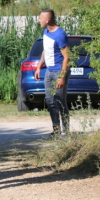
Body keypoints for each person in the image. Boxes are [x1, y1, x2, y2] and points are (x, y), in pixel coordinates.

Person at [34, 8, 70, 137]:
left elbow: (66, 57)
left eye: (40, 18)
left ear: (47, 20)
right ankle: (56, 130)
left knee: (60, 101)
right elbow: (46, 50)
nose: (38, 20)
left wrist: (62, 77)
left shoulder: (60, 34)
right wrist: (39, 67)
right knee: (50, 101)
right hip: (49, 71)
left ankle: (66, 131)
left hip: (59, 71)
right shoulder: (46, 32)